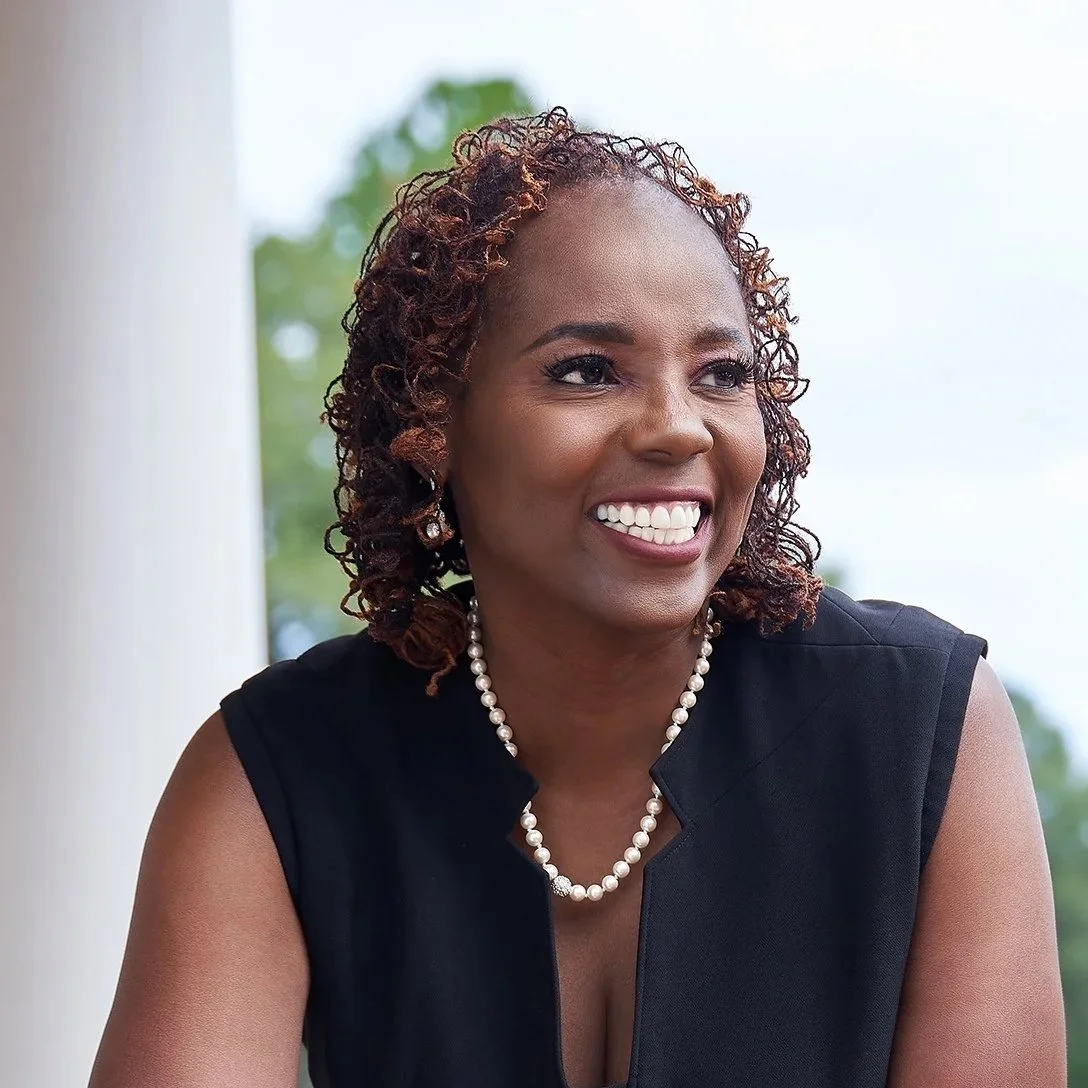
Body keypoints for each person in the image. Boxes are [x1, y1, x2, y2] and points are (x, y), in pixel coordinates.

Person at [88, 109, 1066, 1088]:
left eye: (720, 373)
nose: (678, 427)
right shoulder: (277, 774)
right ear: (436, 422)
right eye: (587, 370)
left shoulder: (919, 729)